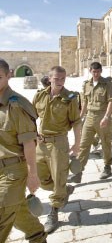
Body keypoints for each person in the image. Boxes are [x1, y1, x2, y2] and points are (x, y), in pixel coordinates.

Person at [0, 59, 47, 243]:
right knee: (18, 211)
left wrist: (33, 174)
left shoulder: (17, 105)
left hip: (13, 172)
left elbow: (29, 143)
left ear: (9, 75)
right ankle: (38, 238)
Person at [32, 66, 81, 234]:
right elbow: (31, 117)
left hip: (59, 144)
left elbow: (76, 121)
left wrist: (77, 144)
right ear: (49, 78)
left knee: (59, 177)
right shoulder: (40, 96)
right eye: (56, 78)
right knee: (41, 178)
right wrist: (33, 135)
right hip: (41, 143)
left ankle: (53, 213)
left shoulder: (70, 98)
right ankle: (64, 190)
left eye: (63, 79)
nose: (60, 82)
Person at [68, 62, 112, 183]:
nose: (96, 74)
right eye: (94, 71)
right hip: (89, 117)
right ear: (90, 71)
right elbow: (84, 103)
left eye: (98, 71)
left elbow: (110, 101)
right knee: (83, 145)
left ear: (101, 71)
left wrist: (106, 117)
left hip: (102, 116)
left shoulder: (107, 84)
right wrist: (79, 118)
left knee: (105, 143)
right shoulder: (86, 85)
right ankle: (79, 172)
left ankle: (107, 166)